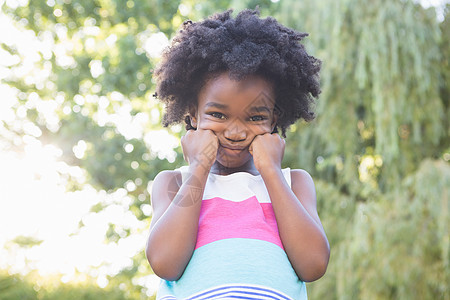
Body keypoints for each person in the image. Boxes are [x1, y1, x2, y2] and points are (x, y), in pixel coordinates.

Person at [146, 8, 330, 300]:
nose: (235, 132)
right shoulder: (173, 183)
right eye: (218, 114)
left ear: (274, 120)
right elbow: (166, 262)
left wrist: (270, 170)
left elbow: (313, 265)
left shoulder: (294, 183)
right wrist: (199, 166)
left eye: (255, 118)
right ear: (193, 115)